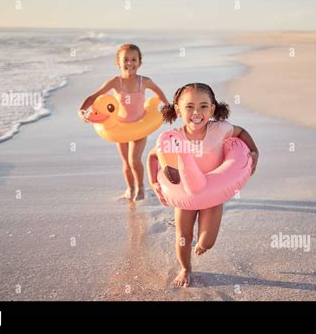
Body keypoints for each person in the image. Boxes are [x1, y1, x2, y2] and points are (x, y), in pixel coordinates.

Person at [147, 83, 259, 287]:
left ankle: (202, 245)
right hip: (184, 195)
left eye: (204, 106)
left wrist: (254, 151)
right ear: (178, 109)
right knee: (183, 236)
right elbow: (153, 156)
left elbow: (241, 132)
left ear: (213, 109)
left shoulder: (220, 129)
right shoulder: (174, 138)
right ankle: (185, 268)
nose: (196, 112)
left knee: (207, 242)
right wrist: (154, 182)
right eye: (189, 106)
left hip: (213, 194)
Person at [79, 44, 169, 201]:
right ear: (118, 63)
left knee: (134, 160)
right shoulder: (115, 82)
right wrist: (81, 110)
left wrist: (168, 106)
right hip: (120, 128)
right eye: (125, 59)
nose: (130, 63)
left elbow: (158, 92)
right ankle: (130, 188)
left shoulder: (144, 81)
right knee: (126, 163)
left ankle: (140, 188)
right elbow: (95, 96)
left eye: (134, 59)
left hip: (140, 126)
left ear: (140, 62)